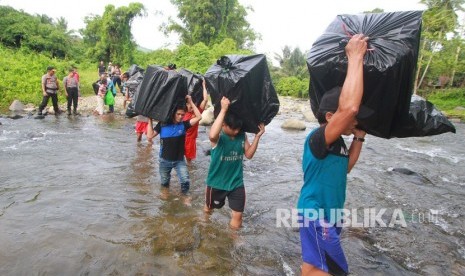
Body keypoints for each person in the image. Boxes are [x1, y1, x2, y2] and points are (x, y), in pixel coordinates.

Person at [297, 34, 369, 276]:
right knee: (337, 270)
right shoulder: (318, 138)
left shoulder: (338, 143)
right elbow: (349, 108)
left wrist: (358, 137)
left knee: (313, 266)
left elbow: (344, 168)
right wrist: (355, 56)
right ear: (330, 117)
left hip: (332, 213)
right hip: (315, 213)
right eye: (349, 120)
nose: (354, 120)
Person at [203, 96, 265, 229]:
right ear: (224, 125)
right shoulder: (218, 138)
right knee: (209, 209)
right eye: (234, 129)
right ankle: (205, 228)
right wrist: (223, 110)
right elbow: (212, 135)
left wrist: (257, 137)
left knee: (238, 216)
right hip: (216, 183)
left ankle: (234, 241)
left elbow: (248, 155)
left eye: (238, 129)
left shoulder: (242, 135)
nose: (237, 131)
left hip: (236, 183)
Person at [146, 96, 202, 196]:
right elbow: (150, 136)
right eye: (178, 114)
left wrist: (191, 102)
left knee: (185, 181)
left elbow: (199, 117)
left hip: (179, 161)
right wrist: (149, 119)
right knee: (164, 183)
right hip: (164, 160)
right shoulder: (163, 124)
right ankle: (166, 198)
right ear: (173, 114)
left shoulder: (184, 125)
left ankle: (184, 197)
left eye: (182, 115)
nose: (180, 116)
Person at [183, 79, 208, 164]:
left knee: (189, 161)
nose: (189, 105)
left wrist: (204, 86)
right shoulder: (182, 112)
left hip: (190, 140)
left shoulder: (197, 112)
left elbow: (205, 100)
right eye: (188, 104)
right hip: (180, 138)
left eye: (191, 104)